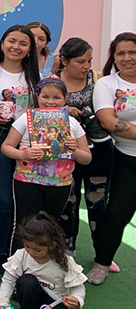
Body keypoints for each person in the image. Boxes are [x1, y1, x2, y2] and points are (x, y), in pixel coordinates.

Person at [1, 77, 91, 250]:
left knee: (49, 226)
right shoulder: (26, 119)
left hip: (60, 184)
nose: (50, 102)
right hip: (28, 181)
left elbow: (86, 158)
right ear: (37, 97)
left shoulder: (72, 123)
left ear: (65, 99)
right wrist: (23, 154)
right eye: (45, 97)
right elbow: (6, 147)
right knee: (24, 225)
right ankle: (17, 263)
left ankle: (43, 263)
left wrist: (74, 149)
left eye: (57, 97)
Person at [0, 25, 40, 271]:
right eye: (11, 41)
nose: (16, 47)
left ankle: (21, 250)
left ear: (30, 49)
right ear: (2, 44)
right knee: (3, 200)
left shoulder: (35, 76)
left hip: (28, 142)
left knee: (25, 200)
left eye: (23, 43)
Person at [84, 33, 136, 284]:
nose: (127, 58)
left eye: (132, 52)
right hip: (126, 158)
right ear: (113, 58)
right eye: (120, 53)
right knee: (116, 214)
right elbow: (108, 121)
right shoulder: (106, 84)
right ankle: (102, 262)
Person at [56, 38, 116, 257]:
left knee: (97, 201)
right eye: (80, 61)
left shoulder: (98, 80)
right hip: (67, 151)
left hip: (99, 150)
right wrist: (64, 109)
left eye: (89, 61)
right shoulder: (52, 82)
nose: (86, 66)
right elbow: (41, 110)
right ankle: (67, 252)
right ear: (64, 60)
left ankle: (102, 254)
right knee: (68, 202)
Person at [0, 213, 86, 309]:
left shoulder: (64, 261)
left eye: (37, 250)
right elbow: (8, 280)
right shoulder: (21, 255)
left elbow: (78, 287)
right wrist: (2, 304)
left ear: (52, 245)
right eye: (27, 246)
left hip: (56, 301)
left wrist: (77, 299)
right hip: (32, 295)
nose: (31, 252)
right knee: (27, 281)